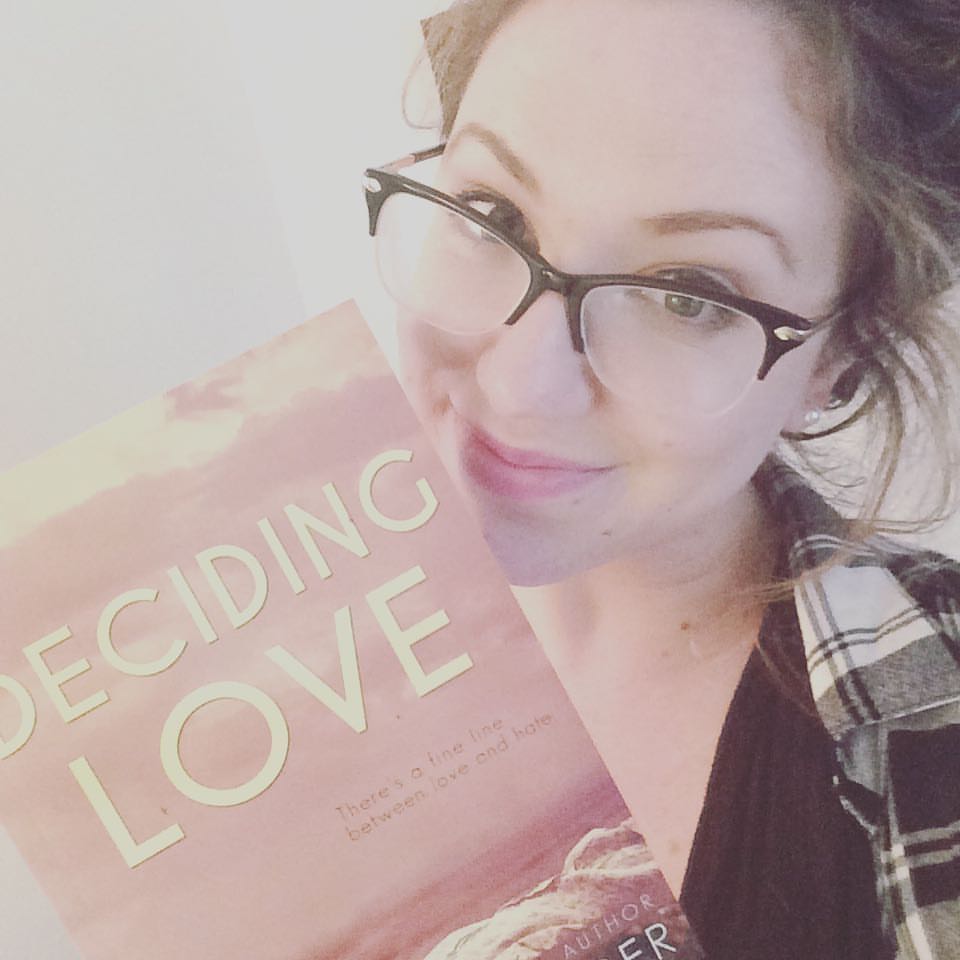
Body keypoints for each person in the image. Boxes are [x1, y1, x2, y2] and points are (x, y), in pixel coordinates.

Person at [362, 0, 960, 956]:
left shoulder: (940, 728)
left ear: (839, 354)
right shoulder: (239, 661)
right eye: (493, 215)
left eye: (689, 295)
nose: (522, 385)